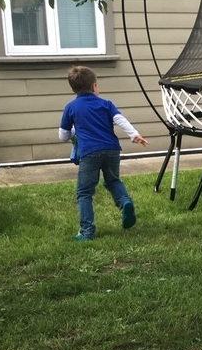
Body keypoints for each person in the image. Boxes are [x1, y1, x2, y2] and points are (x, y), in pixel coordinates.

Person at [59, 66, 149, 241]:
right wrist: (134, 135)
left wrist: (73, 133)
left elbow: (63, 135)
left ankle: (86, 231)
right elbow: (120, 120)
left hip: (89, 153)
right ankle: (124, 202)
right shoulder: (106, 104)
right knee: (113, 180)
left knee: (84, 192)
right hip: (112, 150)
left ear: (73, 88)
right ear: (94, 86)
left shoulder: (71, 107)